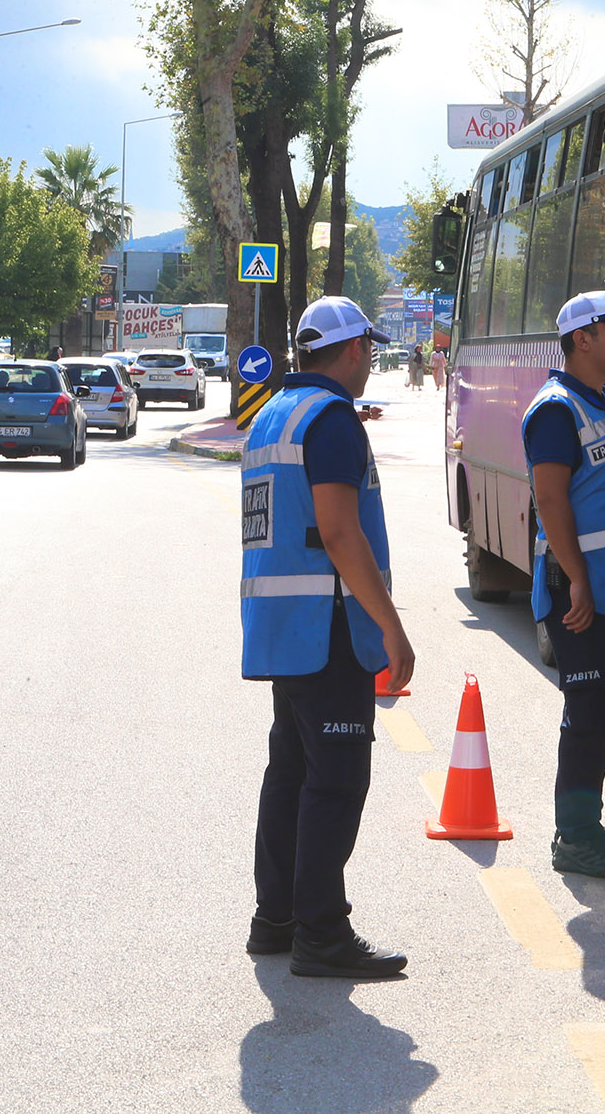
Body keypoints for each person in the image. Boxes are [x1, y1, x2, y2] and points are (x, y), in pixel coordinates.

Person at [241, 294, 415, 978]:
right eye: (368, 348)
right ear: (351, 351)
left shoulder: (272, 415)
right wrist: (391, 626)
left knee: (290, 771)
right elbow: (340, 532)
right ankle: (320, 930)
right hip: (331, 625)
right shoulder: (333, 420)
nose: (371, 360)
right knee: (336, 779)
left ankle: (275, 918)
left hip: (286, 628)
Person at [521, 291, 605, 880]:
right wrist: (576, 578)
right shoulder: (556, 410)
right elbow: (549, 500)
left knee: (603, 710)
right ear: (582, 338)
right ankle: (573, 837)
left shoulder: (592, 403)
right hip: (583, 595)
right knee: (588, 710)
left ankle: (586, 823)